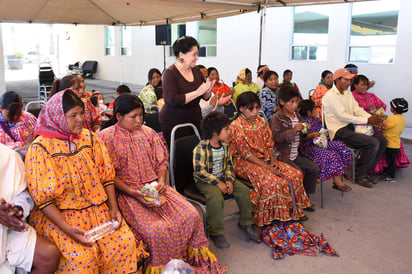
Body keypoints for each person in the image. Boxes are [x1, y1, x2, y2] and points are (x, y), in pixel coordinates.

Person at [99, 94, 226, 273]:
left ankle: (183, 263)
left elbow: (161, 162)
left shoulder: (148, 133)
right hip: (128, 193)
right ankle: (164, 268)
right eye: (133, 116)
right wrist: (135, 193)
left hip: (156, 186)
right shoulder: (105, 138)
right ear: (118, 117)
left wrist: (160, 181)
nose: (139, 120)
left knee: (191, 215)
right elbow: (108, 176)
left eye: (141, 115)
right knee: (156, 230)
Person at [25, 89, 140, 273]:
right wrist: (68, 229)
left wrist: (113, 207)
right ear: (58, 117)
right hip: (62, 218)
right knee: (82, 258)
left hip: (98, 211)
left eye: (81, 113)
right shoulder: (40, 149)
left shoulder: (89, 138)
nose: (80, 119)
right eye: (73, 115)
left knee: (123, 245)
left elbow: (107, 176)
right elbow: (43, 200)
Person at [228, 91, 311, 241]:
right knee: (272, 182)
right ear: (241, 109)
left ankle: (291, 212)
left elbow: (268, 144)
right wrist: (269, 168)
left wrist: (272, 160)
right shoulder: (236, 126)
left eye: (257, 108)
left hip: (265, 159)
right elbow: (246, 154)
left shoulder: (261, 121)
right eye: (250, 109)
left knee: (295, 174)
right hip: (243, 162)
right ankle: (259, 222)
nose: (255, 112)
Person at [193, 111, 258, 249]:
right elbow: (200, 172)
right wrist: (217, 183)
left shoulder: (225, 146)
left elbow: (229, 165)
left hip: (222, 176)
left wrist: (228, 179)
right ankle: (216, 232)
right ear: (215, 132)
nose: (229, 132)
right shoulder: (201, 148)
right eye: (226, 129)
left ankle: (246, 222)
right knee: (216, 197)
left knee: (244, 191)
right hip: (206, 181)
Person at [0, 143, 60, 274]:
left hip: (6, 228)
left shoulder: (8, 156)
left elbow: (22, 193)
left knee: (48, 255)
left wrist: (16, 209)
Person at [322, 68, 387, 188]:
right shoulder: (330, 96)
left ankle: (363, 170)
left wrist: (373, 119)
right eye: (345, 80)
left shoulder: (347, 93)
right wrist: (367, 120)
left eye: (350, 80)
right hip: (338, 131)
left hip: (350, 127)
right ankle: (359, 175)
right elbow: (343, 116)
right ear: (337, 80)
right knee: (372, 143)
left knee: (382, 141)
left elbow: (357, 110)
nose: (348, 83)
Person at [160, 36, 214, 146]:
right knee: (181, 157)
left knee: (196, 155)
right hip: (174, 122)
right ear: (181, 55)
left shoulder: (197, 71)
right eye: (194, 54)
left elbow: (205, 96)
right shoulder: (170, 73)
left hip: (195, 120)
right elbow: (172, 99)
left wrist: (208, 89)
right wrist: (198, 92)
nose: (197, 58)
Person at [352, 75, 410, 174]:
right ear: (355, 85)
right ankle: (370, 167)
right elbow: (353, 114)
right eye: (362, 85)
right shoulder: (351, 97)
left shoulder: (372, 95)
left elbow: (381, 108)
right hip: (359, 125)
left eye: (366, 85)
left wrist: (379, 115)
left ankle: (387, 165)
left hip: (375, 122)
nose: (365, 87)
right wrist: (373, 117)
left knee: (389, 133)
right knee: (380, 134)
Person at [271, 86, 320, 201]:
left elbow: (301, 137)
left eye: (296, 101)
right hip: (283, 155)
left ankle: (305, 198)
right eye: (291, 102)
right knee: (297, 173)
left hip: (296, 153)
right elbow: (275, 138)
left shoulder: (297, 116)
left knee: (314, 168)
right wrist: (292, 131)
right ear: (282, 102)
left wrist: (304, 130)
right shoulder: (277, 118)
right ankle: (294, 201)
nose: (294, 105)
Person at [298, 100, 353, 192]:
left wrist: (324, 134)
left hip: (321, 143)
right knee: (330, 155)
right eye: (315, 109)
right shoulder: (302, 123)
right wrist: (312, 135)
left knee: (340, 145)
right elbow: (301, 139)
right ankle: (337, 180)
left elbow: (321, 130)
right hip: (309, 146)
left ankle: (342, 169)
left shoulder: (314, 120)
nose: (317, 111)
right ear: (309, 112)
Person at [381, 98, 408, 182]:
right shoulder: (402, 119)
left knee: (390, 161)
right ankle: (389, 171)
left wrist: (381, 120)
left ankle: (391, 176)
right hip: (396, 144)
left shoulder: (391, 119)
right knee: (391, 160)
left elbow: (384, 127)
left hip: (390, 144)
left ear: (392, 109)